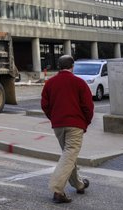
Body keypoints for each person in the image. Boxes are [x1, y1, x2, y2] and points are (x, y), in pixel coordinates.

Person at [41, 54, 94, 204]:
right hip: (75, 124)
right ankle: (58, 190)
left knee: (68, 155)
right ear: (72, 66)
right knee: (69, 155)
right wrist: (86, 122)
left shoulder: (50, 83)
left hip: (58, 125)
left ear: (59, 66)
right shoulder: (79, 83)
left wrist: (54, 117)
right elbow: (88, 106)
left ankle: (79, 184)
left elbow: (45, 105)